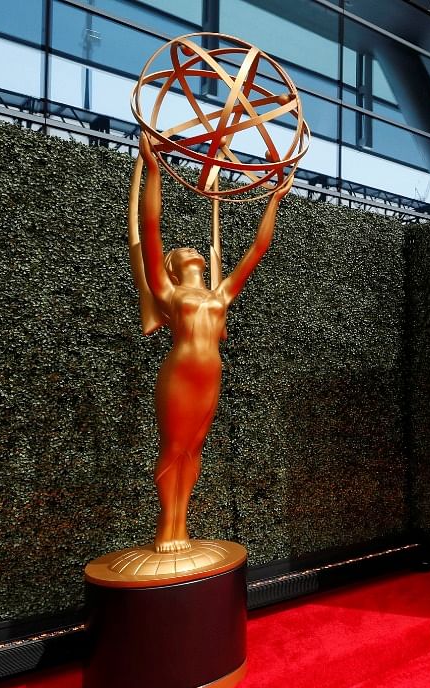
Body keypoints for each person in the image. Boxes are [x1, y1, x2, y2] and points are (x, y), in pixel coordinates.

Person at [136, 135, 290, 552]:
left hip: (210, 375)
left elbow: (259, 248)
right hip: (181, 372)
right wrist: (153, 169)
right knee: (173, 447)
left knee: (194, 450)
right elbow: (150, 228)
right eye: (181, 248)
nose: (190, 248)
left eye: (194, 247)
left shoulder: (221, 294)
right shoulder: (167, 292)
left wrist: (275, 198)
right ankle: (165, 528)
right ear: (172, 264)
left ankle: (180, 526)